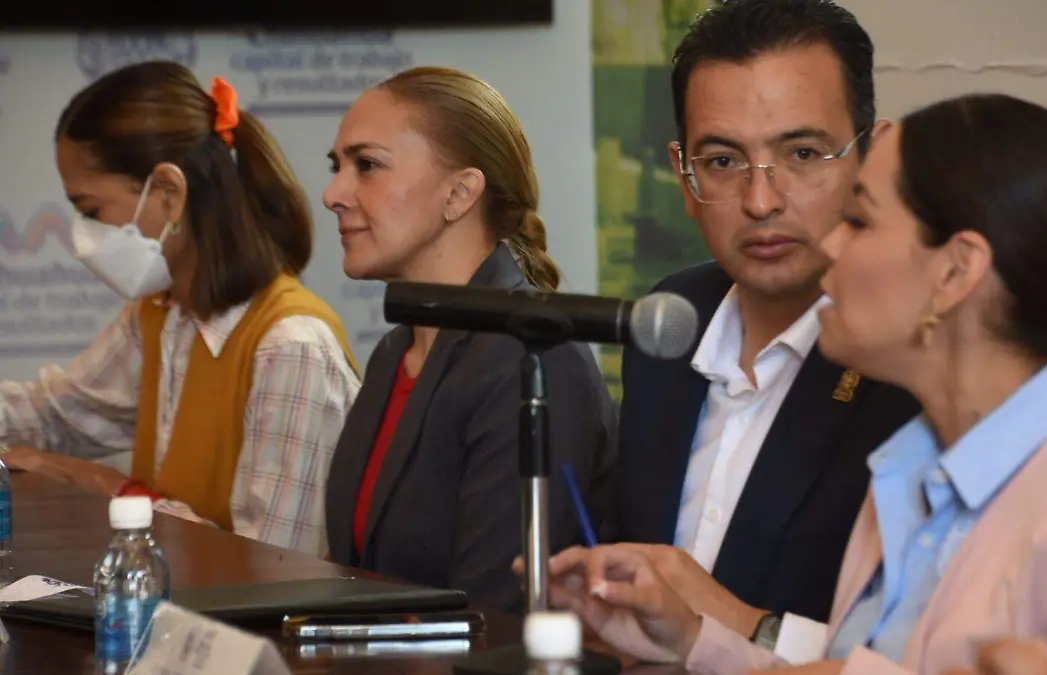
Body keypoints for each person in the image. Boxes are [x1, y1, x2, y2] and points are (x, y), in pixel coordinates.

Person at [532, 94, 1047, 674]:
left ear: (955, 271)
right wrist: (691, 637)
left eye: (860, 220)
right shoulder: (913, 468)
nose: (830, 245)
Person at [610, 0, 919, 656]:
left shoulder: (914, 359)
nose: (760, 200)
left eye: (802, 153)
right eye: (723, 161)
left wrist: (723, 620)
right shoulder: (670, 321)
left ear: (874, 156)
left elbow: (928, 655)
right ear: (684, 176)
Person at [0, 61, 362, 558]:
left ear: (169, 194)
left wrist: (105, 486)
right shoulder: (161, 314)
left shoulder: (291, 347)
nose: (81, 235)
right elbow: (58, 416)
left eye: (90, 210)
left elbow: (276, 567)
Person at [322, 66, 617, 611]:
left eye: (367, 166)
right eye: (336, 167)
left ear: (459, 193)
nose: (332, 194)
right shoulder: (395, 354)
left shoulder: (533, 359)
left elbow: (495, 616)